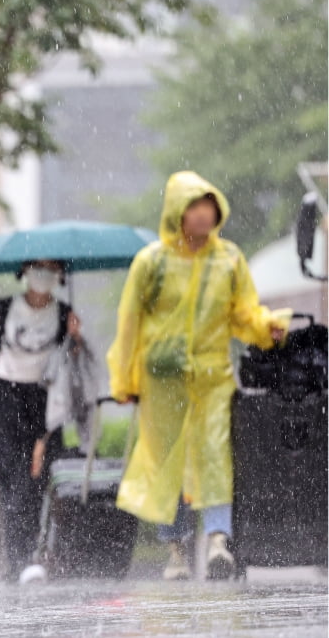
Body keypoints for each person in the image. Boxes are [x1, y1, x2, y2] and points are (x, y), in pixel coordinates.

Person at [107, 171, 288, 581]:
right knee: (166, 462)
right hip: (162, 381)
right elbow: (129, 322)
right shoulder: (151, 263)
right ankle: (176, 549)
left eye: (209, 206)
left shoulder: (229, 260)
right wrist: (124, 379)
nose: (203, 215)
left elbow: (244, 312)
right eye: (194, 207)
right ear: (177, 212)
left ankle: (218, 541)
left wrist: (265, 328)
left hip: (212, 380)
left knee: (214, 457)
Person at [0, 260, 81, 581]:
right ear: (24, 270)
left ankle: (26, 559)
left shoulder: (65, 313)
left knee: (36, 483)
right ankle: (19, 561)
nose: (43, 275)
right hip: (5, 399)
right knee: (13, 482)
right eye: (38, 267)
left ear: (61, 275)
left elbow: (74, 365)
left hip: (46, 403)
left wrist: (75, 338)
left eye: (51, 269)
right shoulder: (5, 307)